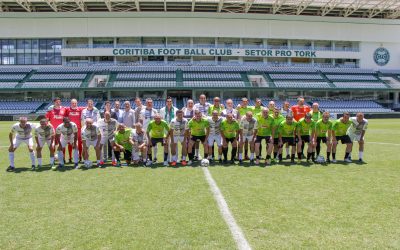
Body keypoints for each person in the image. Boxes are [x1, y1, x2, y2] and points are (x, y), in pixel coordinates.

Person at [65, 98, 84, 163]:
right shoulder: (67, 110)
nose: (74, 104)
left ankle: (80, 157)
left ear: (77, 103)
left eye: (75, 103)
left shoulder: (80, 109)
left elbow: (88, 107)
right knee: (70, 143)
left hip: (78, 129)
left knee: (79, 143)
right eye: (73, 103)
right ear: (71, 103)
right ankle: (70, 157)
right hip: (70, 129)